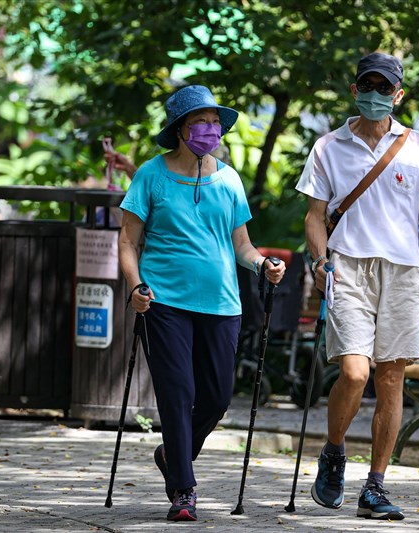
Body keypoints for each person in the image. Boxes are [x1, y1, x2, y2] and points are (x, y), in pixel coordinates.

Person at [295, 52, 419, 521]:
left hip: (402, 271)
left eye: (383, 87)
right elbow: (315, 217)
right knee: (355, 372)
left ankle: (374, 486)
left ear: (398, 95)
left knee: (391, 379)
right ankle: (334, 451)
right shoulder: (328, 147)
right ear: (355, 90)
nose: (375, 94)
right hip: (348, 266)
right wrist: (320, 258)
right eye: (366, 85)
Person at [118, 84, 285, 522]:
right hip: (165, 302)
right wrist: (135, 286)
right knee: (178, 393)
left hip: (222, 305)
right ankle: (184, 490)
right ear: (179, 129)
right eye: (200, 123)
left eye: (215, 122)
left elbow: (243, 246)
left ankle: (173, 455)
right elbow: (127, 241)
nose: (211, 130)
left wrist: (263, 264)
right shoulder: (151, 175)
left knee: (216, 397)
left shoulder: (229, 179)